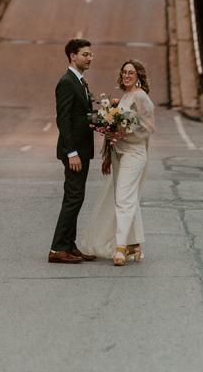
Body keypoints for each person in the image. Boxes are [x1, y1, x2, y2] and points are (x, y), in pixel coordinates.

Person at [80, 59, 155, 265]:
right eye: (124, 72)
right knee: (127, 197)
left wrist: (124, 133)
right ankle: (135, 245)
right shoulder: (124, 97)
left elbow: (147, 127)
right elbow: (113, 126)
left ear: (138, 75)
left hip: (134, 154)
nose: (127, 75)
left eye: (131, 72)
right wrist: (107, 155)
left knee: (123, 198)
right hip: (117, 154)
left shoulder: (141, 97)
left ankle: (120, 247)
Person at [48, 39, 96, 264]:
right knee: (73, 197)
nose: (89, 58)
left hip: (82, 150)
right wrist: (71, 153)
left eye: (90, 54)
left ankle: (70, 244)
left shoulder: (80, 81)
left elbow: (81, 116)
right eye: (85, 54)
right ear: (72, 56)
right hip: (75, 152)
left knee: (77, 197)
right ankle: (58, 248)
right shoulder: (67, 82)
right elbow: (63, 120)